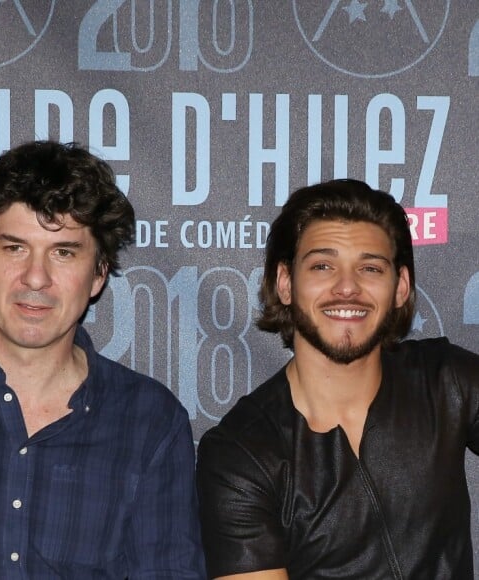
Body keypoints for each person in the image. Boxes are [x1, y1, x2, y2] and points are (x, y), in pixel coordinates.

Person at [0, 140, 206, 579]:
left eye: (63, 252)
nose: (36, 278)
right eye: (14, 248)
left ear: (99, 273)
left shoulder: (148, 421)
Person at [196, 179, 479, 580]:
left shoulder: (448, 382)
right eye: (322, 266)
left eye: (370, 268)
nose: (347, 287)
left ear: (400, 287)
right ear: (285, 284)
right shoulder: (242, 451)